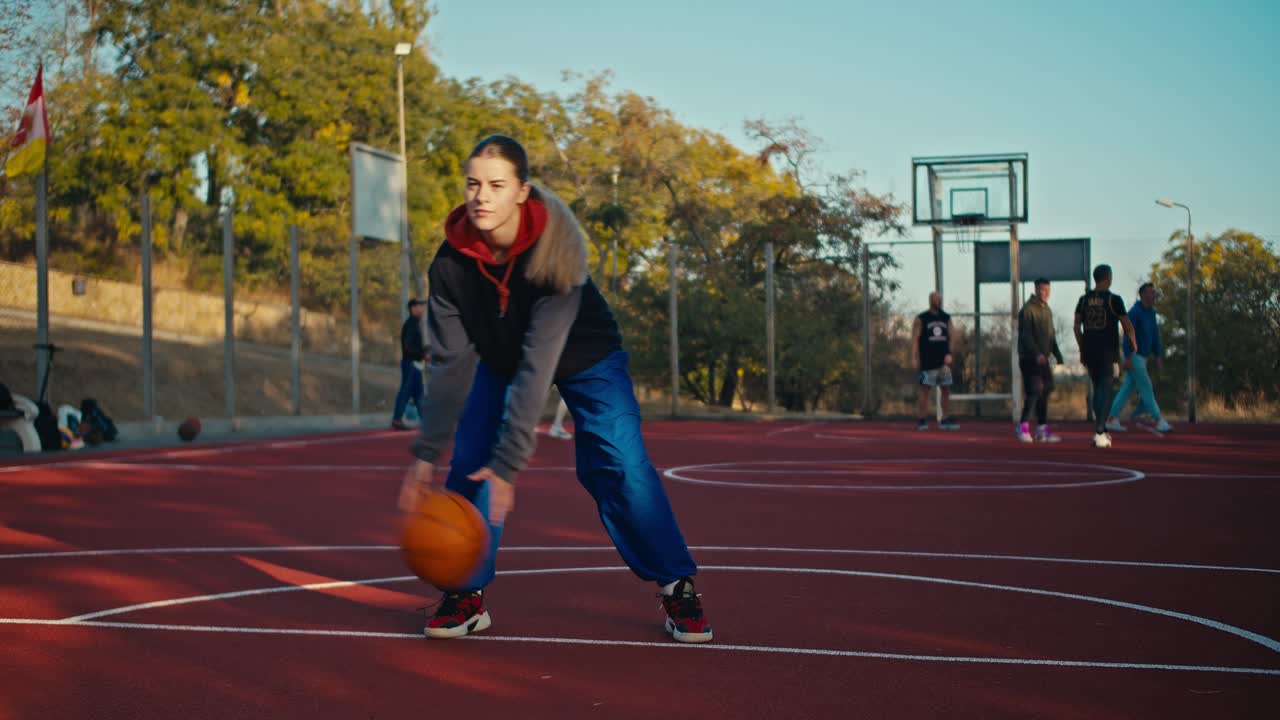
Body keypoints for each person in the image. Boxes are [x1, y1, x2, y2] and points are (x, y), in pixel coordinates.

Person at [397, 135, 712, 643]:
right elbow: (452, 364)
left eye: (496, 185)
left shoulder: (556, 248)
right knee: (472, 456)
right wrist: (425, 452)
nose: (481, 196)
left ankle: (678, 586)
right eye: (473, 184)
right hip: (498, 356)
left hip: (586, 354)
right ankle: (466, 591)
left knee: (620, 466)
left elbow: (539, 363)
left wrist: (511, 464)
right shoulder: (451, 265)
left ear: (521, 192)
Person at [1074, 265, 1138, 448]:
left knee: (1097, 387)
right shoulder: (1114, 300)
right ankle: (1100, 430)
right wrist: (1134, 343)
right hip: (1108, 351)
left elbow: (1076, 326)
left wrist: (1081, 347)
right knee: (1107, 388)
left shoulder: (1084, 299)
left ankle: (1101, 428)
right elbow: (1127, 324)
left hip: (1090, 350)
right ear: (1108, 278)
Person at [1106, 283, 1173, 433]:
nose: (1153, 296)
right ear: (1142, 295)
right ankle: (1158, 420)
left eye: (1153, 293)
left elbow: (1155, 335)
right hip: (1134, 357)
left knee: (1127, 388)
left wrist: (1157, 355)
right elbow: (1127, 334)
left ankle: (1111, 418)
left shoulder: (1152, 313)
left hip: (1143, 357)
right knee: (1146, 387)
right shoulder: (1135, 312)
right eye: (1150, 293)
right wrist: (1128, 356)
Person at [1016, 278, 1066, 443]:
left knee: (1046, 390)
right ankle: (1022, 426)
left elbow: (1051, 336)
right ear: (1036, 290)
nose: (1045, 293)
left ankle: (1042, 429)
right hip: (1029, 358)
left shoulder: (1047, 310)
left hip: (1043, 360)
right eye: (1042, 290)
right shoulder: (1028, 310)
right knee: (1035, 390)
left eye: (1048, 290)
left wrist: (1058, 355)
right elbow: (1026, 335)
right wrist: (1036, 353)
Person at [909, 291, 959, 431]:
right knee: (925, 390)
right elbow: (915, 340)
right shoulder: (921, 318)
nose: (939, 301)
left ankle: (945, 419)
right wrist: (913, 357)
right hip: (927, 361)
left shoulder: (946, 318)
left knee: (946, 390)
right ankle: (922, 420)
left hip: (942, 362)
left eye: (940, 299)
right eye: (937, 299)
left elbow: (952, 336)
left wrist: (949, 353)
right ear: (931, 300)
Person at [390, 299, 427, 431]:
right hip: (411, 363)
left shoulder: (416, 324)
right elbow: (409, 347)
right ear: (413, 308)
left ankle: (427, 421)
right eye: (419, 306)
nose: (422, 309)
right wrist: (423, 354)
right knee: (405, 391)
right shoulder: (411, 324)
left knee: (419, 394)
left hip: (416, 364)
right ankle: (397, 418)